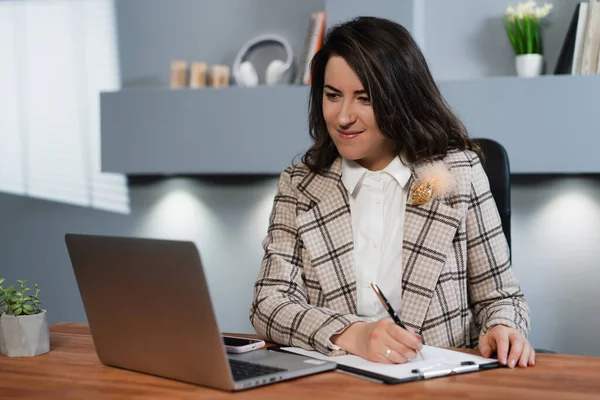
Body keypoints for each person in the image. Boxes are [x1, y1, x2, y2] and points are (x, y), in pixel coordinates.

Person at [249, 16, 533, 369]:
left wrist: (503, 326)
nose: (343, 117)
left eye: (364, 99)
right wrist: (353, 334)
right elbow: (269, 303)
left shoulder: (461, 173)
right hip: (333, 384)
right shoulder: (300, 184)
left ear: (401, 98)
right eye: (332, 96)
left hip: (442, 384)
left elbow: (500, 295)